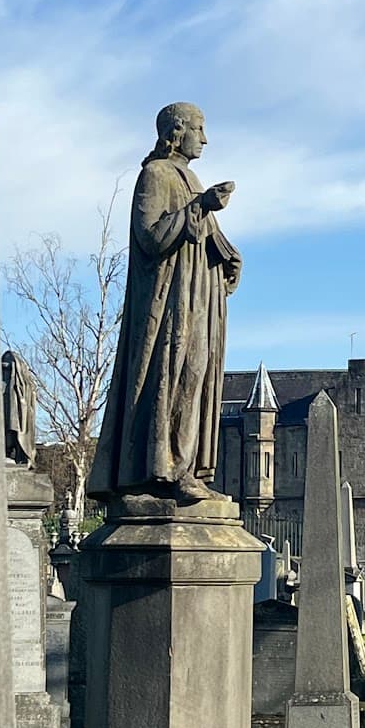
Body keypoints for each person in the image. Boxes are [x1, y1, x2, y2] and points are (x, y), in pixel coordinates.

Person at [89, 102, 241, 503]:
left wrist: (228, 257)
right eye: (198, 129)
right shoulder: (155, 174)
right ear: (176, 131)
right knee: (172, 376)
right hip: (170, 303)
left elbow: (207, 237)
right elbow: (151, 237)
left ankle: (186, 468)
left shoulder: (190, 178)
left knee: (196, 375)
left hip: (198, 299)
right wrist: (201, 206)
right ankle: (166, 470)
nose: (204, 138)